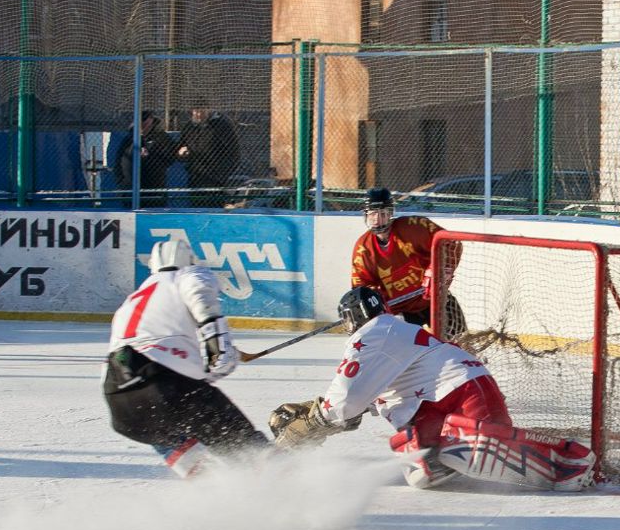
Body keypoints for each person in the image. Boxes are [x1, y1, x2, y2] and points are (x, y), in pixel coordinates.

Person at [268, 286, 594, 492]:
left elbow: (344, 404)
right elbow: (355, 408)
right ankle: (446, 451)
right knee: (418, 467)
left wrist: (316, 420)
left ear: (350, 319)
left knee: (474, 449)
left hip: (459, 394)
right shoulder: (392, 331)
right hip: (459, 393)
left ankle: (570, 459)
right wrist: (326, 415)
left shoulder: (370, 335)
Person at [103, 239, 268, 478]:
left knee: (201, 471)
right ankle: (304, 497)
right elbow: (202, 303)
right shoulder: (187, 275)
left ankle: (215, 502)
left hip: (121, 404)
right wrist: (221, 351)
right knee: (253, 454)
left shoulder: (132, 300)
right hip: (165, 386)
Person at [350, 187, 467, 341]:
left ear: (391, 214)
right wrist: (376, 301)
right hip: (401, 317)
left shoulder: (414, 227)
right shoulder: (362, 249)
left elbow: (450, 244)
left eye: (383, 214)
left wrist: (438, 272)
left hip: (437, 302)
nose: (378, 220)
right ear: (365, 216)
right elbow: (361, 288)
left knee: (463, 348)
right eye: (373, 214)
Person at [177, 100, 240, 207]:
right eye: (196, 111)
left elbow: (233, 151)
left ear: (208, 110)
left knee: (214, 205)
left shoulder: (222, 125)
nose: (199, 114)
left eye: (202, 111)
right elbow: (181, 148)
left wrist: (223, 173)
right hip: (196, 175)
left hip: (216, 176)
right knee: (196, 205)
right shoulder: (189, 127)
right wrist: (182, 153)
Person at [112, 111, 177, 207]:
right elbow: (119, 162)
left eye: (145, 121)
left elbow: (170, 157)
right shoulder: (129, 139)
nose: (142, 124)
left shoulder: (161, 137)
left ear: (151, 120)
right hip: (131, 188)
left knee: (155, 212)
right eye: (140, 121)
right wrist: (121, 182)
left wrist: (152, 155)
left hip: (154, 188)